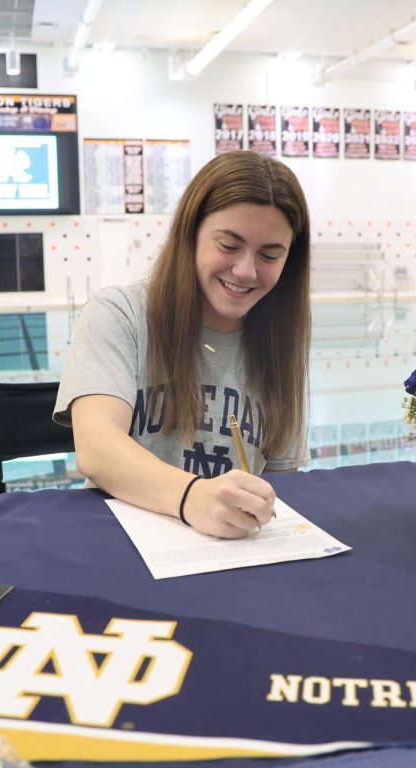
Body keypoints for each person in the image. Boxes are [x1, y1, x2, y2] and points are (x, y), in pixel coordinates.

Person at [54, 150, 311, 539]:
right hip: (121, 547)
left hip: (233, 554)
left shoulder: (280, 346)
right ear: (189, 235)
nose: (246, 270)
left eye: (270, 255)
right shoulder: (120, 315)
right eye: (228, 246)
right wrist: (192, 498)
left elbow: (283, 486)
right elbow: (96, 447)